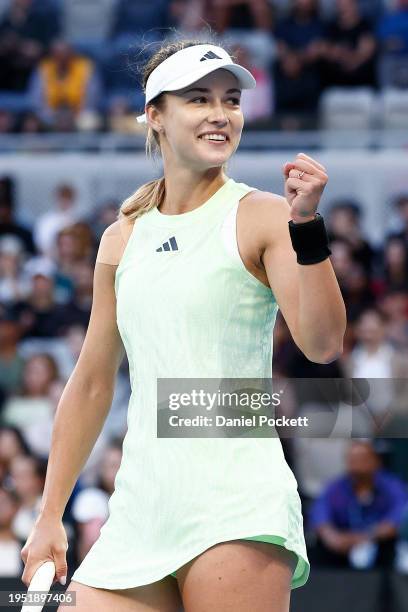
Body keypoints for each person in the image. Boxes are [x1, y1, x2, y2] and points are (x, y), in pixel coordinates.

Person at [20, 38, 346, 611]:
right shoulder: (122, 237)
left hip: (236, 503)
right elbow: (93, 382)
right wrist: (50, 513)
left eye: (230, 100)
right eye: (198, 99)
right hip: (139, 510)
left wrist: (308, 227)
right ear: (155, 116)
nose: (221, 114)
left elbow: (322, 345)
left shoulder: (266, 215)